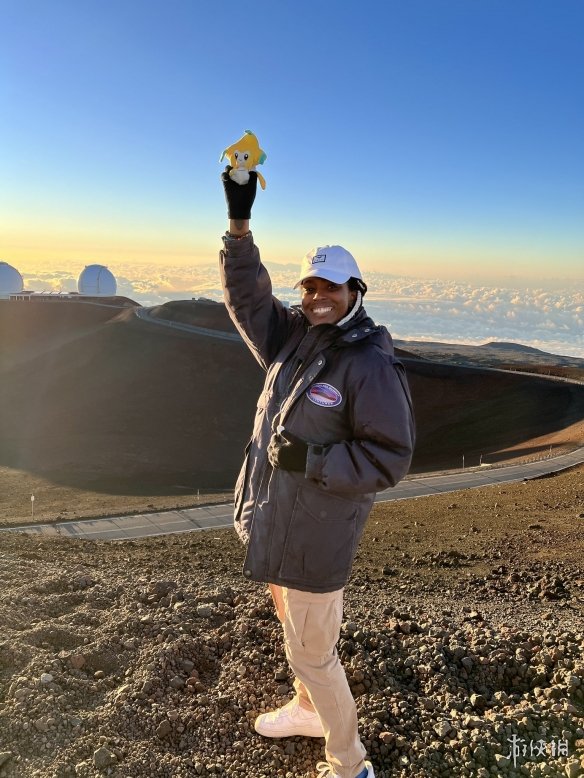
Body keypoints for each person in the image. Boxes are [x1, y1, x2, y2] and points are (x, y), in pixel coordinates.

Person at [219, 166, 415, 778]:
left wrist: (315, 461)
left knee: (315, 655)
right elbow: (247, 298)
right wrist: (239, 222)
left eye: (330, 286)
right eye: (309, 285)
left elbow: (391, 456)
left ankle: (350, 763)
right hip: (281, 522)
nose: (316, 295)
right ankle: (307, 710)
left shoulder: (369, 364)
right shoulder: (295, 337)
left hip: (316, 538)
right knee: (297, 635)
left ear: (356, 290)